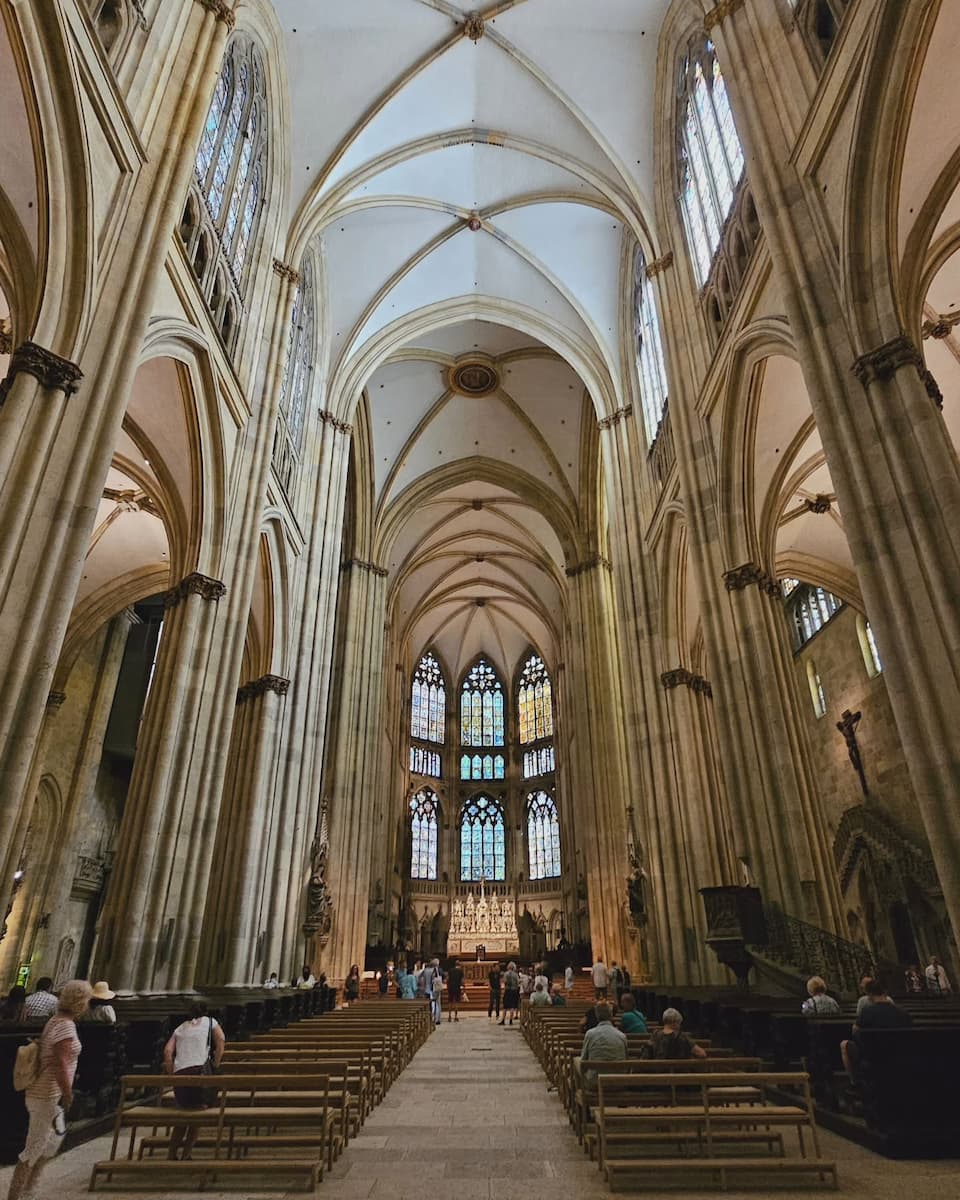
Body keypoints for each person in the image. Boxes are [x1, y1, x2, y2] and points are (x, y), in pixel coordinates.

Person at [8, 979, 92, 1200]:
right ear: (80, 1002)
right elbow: (60, 1063)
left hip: (46, 1092)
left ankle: (29, 1190)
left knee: (51, 1142)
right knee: (36, 1145)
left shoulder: (57, 1020)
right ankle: (16, 1195)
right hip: (47, 1091)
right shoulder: (63, 1025)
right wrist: (68, 1093)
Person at [163, 1002, 225, 1161]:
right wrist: (216, 1063)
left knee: (183, 1113)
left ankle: (171, 1152)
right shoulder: (211, 1022)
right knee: (197, 1114)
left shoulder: (181, 1027)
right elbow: (221, 1039)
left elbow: (168, 1051)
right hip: (199, 1072)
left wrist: (172, 1074)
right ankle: (187, 1153)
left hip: (180, 1073)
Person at [841, 980, 912, 1081]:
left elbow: (855, 1032)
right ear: (885, 993)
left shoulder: (866, 1013)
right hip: (900, 1053)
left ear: (869, 994)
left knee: (844, 1045)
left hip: (873, 1056)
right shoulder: (903, 1013)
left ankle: (855, 1083)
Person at [581, 1002, 628, 1083]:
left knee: (576, 1062)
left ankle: (578, 1092)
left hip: (595, 1082)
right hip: (618, 1082)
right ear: (611, 1016)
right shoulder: (622, 1036)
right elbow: (626, 1058)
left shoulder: (590, 1034)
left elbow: (583, 1060)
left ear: (597, 1016)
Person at [500, 961, 520, 1026]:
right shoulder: (515, 974)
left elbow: (504, 981)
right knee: (512, 1006)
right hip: (514, 991)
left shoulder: (506, 974)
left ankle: (503, 1020)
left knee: (505, 1007)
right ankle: (511, 1020)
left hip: (507, 990)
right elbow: (518, 982)